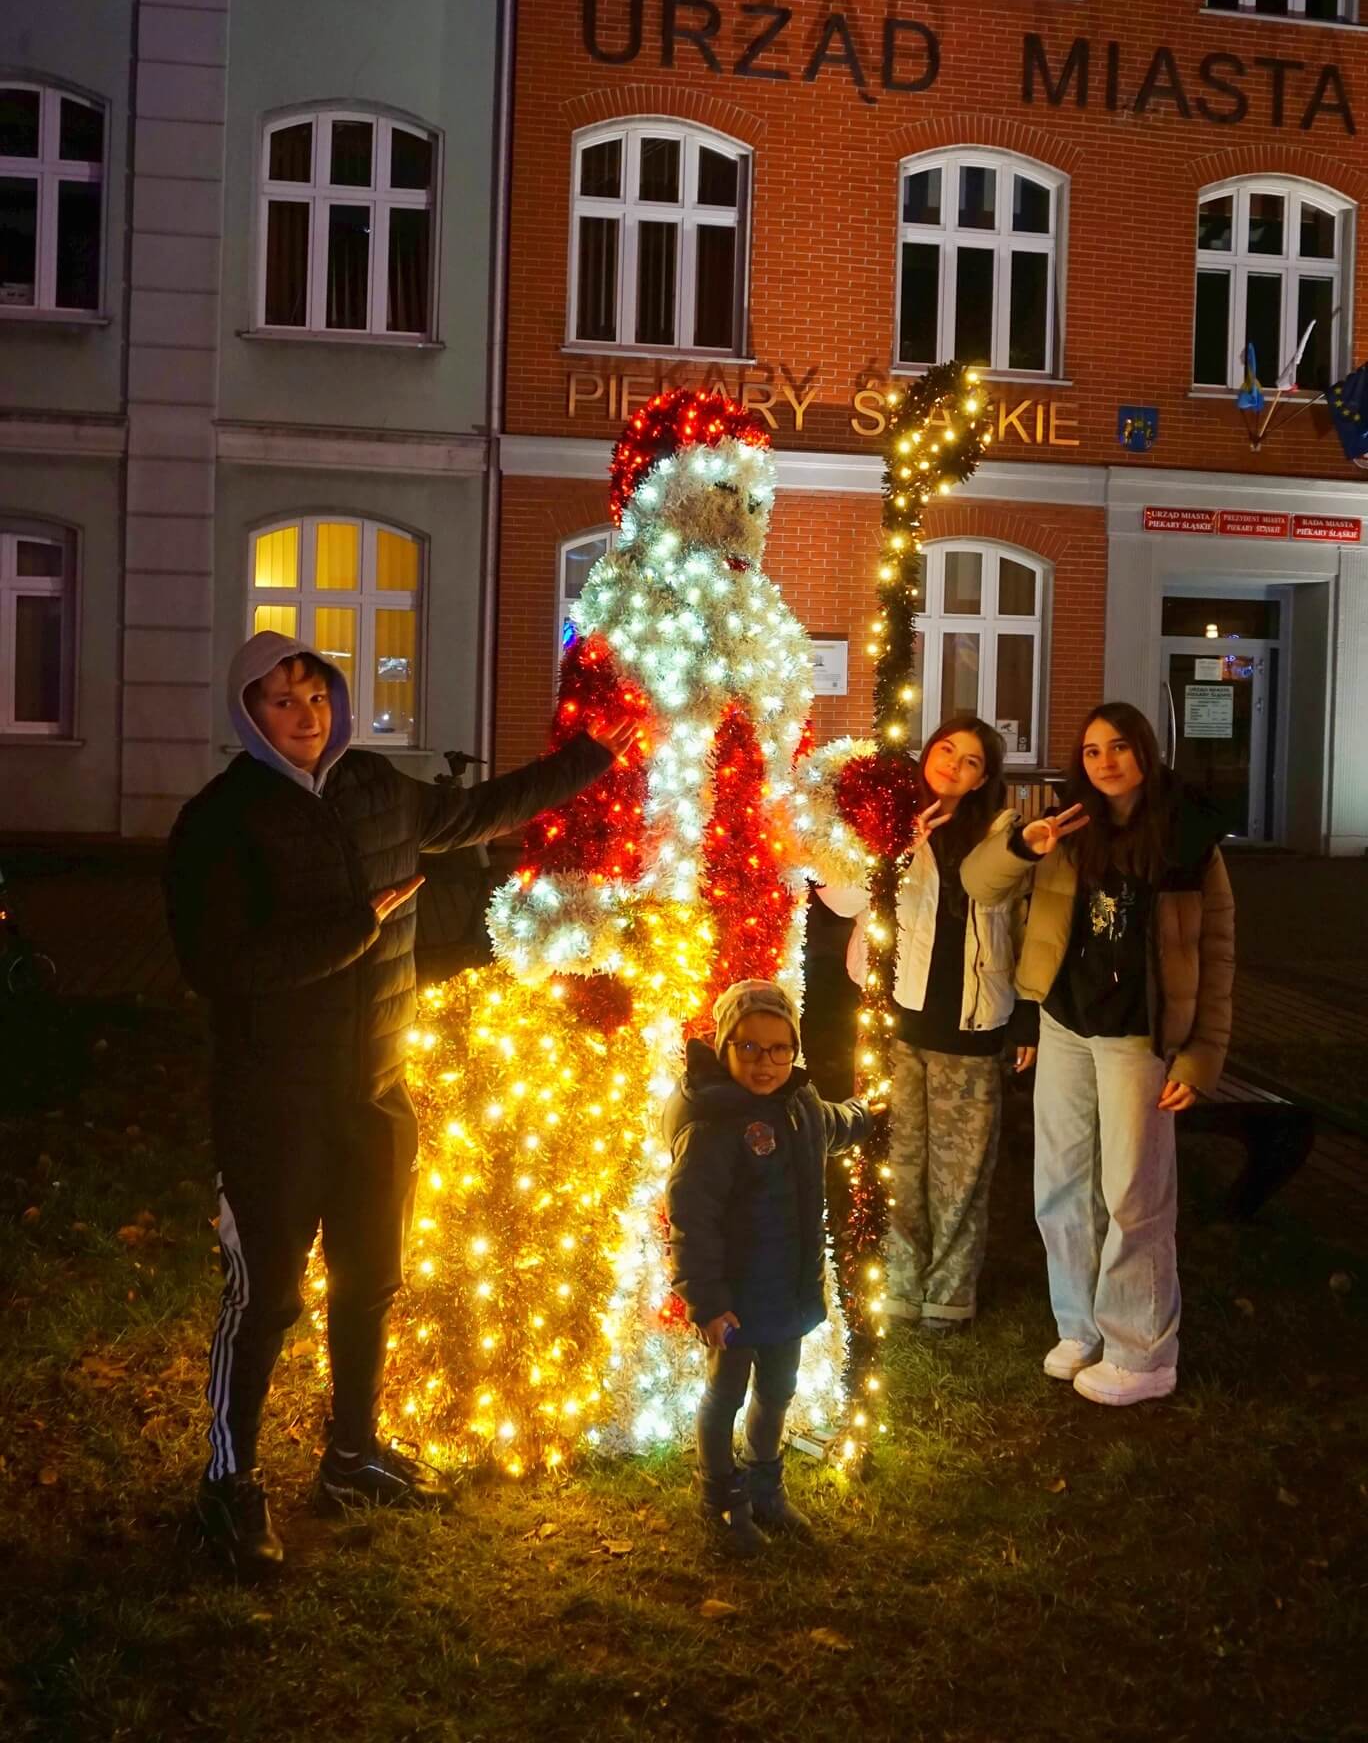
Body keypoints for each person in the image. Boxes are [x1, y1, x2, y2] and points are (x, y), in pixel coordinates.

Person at [166, 630, 635, 1575]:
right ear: (249, 715)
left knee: (370, 1281)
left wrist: (595, 759)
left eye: (317, 697)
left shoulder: (377, 787)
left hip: (375, 1091)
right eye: (282, 703)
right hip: (274, 1101)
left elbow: (477, 811)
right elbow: (217, 966)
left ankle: (350, 1455)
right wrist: (349, 933)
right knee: (264, 1298)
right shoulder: (220, 821)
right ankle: (229, 1483)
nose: (307, 718)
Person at [962, 701, 1235, 1405]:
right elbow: (979, 884)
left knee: (1133, 1191)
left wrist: (1202, 1054)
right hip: (1065, 1024)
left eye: (1119, 747)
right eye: (1091, 751)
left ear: (1145, 750)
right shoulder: (1067, 826)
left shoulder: (1188, 838)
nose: (1105, 761)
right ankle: (1079, 1325)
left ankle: (1143, 1350)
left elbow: (1216, 951)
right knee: (1058, 1184)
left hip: (1139, 1035)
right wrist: (1029, 844)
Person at [818, 716, 1025, 1335]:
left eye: (971, 762)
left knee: (962, 1171)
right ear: (927, 752)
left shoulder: (1001, 832)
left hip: (974, 1022)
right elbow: (842, 898)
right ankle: (902, 1284)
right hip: (897, 1019)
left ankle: (950, 1294)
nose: (954, 767)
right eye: (946, 751)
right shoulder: (884, 815)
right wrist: (898, 843)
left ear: (985, 778)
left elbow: (1017, 917)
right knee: (898, 1162)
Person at [664, 979, 872, 1555]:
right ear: (725, 1045)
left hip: (787, 1291)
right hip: (735, 1299)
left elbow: (831, 1125)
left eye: (781, 1048)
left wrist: (865, 1114)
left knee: (778, 1389)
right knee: (724, 1394)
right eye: (749, 1048)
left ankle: (765, 1486)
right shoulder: (712, 1123)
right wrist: (705, 1300)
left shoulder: (799, 1104)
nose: (766, 1063)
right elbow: (692, 1219)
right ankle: (720, 1498)